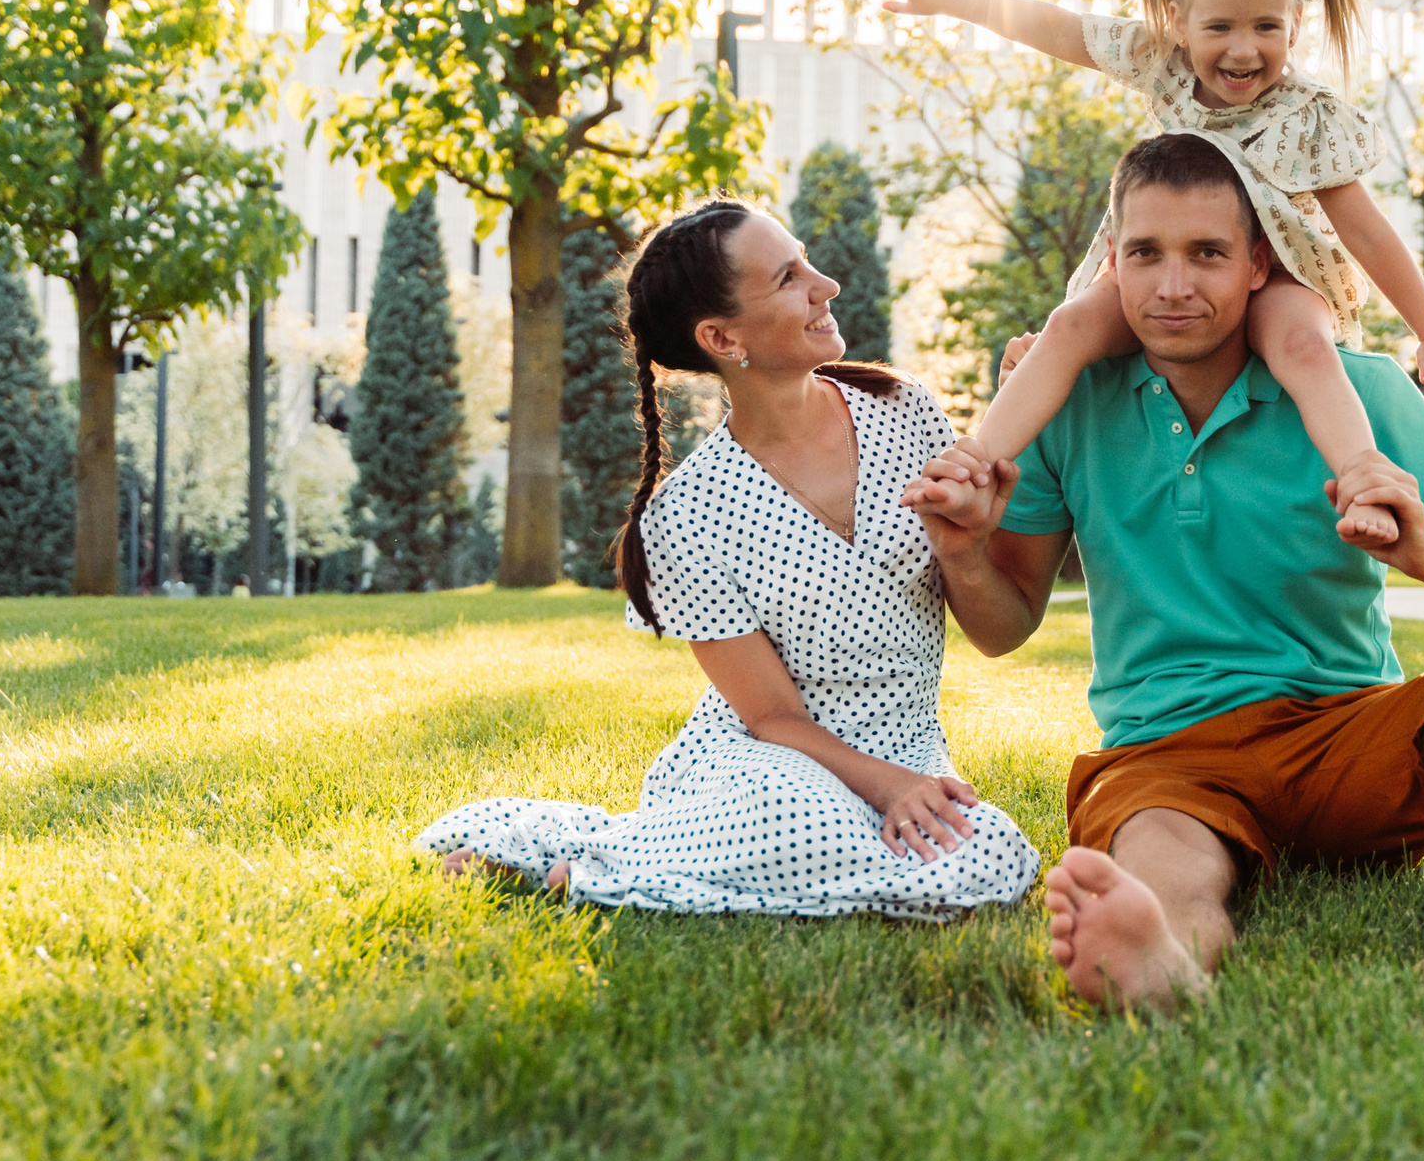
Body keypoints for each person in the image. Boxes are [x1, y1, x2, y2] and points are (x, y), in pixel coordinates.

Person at [905, 134, 1424, 1011]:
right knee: (1164, 866)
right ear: (1112, 261)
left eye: (1207, 255)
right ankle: (1162, 962)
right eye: (1146, 254)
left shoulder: (1363, 395)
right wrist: (962, 546)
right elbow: (1004, 629)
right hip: (1171, 755)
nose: (1173, 286)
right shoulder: (1063, 402)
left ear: (1258, 265)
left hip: (1350, 734)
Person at [415, 199, 1041, 920]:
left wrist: (963, 556)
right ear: (720, 336)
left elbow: (996, 634)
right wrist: (885, 788)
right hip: (768, 769)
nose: (826, 284)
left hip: (907, 749)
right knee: (807, 821)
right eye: (788, 278)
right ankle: (599, 869)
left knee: (991, 852)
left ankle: (624, 853)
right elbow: (771, 716)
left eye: (806, 262)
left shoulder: (903, 410)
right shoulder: (683, 518)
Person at [875, 0, 1424, 548]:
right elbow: (1058, 27)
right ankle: (976, 458)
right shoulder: (1161, 64)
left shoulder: (1307, 119)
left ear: (1295, 24)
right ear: (1178, 21)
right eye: (1219, 27)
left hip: (1283, 273)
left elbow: (1371, 236)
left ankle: (1362, 475)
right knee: (1068, 327)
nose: (1244, 50)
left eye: (1266, 27)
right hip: (1171, 261)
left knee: (1303, 347)